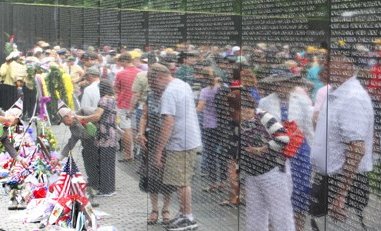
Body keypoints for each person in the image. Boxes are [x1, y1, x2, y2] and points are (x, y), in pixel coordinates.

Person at [310, 55, 374, 230]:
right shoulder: (336, 92)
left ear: (347, 65)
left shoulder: (352, 98)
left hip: (343, 183)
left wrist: (341, 195)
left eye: (330, 61)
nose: (324, 65)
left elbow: (357, 149)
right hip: (328, 180)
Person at [147, 63, 201, 231]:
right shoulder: (182, 84)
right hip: (189, 139)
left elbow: (168, 122)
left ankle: (188, 218)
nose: (153, 88)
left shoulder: (169, 93)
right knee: (181, 182)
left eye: (152, 83)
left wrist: (158, 150)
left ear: (159, 78)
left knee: (182, 182)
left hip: (180, 142)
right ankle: (184, 214)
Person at [259, 71, 314, 231]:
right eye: (279, 84)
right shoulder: (265, 102)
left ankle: (298, 227)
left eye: (286, 83)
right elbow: (262, 129)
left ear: (292, 85)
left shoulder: (302, 101)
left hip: (299, 153)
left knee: (299, 192)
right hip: (276, 152)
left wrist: (313, 155)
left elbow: (309, 130)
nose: (283, 87)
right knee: (276, 192)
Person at [240, 93, 293, 231]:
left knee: (280, 214)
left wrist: (262, 149)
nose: (244, 115)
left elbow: (283, 138)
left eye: (246, 111)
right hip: (252, 173)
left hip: (272, 171)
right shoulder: (236, 121)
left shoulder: (264, 117)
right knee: (255, 215)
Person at [77, 80, 118, 196]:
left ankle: (105, 190)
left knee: (104, 162)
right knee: (110, 162)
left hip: (104, 134)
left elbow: (96, 116)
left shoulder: (103, 100)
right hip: (112, 133)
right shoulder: (112, 99)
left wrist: (81, 118)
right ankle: (111, 188)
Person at [54, 101, 99, 202]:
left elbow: (98, 118)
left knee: (93, 161)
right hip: (88, 145)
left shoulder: (84, 112)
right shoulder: (72, 126)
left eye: (63, 121)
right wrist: (58, 158)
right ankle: (93, 183)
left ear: (67, 117)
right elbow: (71, 143)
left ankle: (96, 185)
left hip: (99, 142)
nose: (64, 125)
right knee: (87, 159)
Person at [196, 68, 221, 192]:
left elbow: (200, 107)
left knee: (210, 154)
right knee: (222, 155)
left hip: (209, 125)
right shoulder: (223, 89)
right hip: (222, 126)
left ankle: (213, 183)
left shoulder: (205, 91)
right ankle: (223, 182)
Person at [114, 53, 140, 162]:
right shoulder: (140, 72)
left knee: (126, 129)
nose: (119, 64)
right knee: (135, 128)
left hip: (124, 104)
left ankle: (128, 154)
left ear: (124, 61)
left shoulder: (120, 74)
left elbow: (116, 89)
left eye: (120, 62)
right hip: (138, 105)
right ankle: (137, 151)